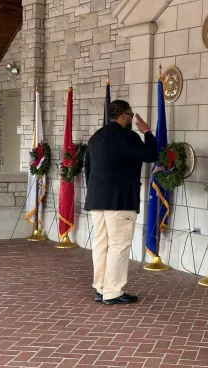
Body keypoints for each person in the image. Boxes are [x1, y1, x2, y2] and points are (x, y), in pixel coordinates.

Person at [84, 100, 157, 305]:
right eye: (131, 116)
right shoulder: (128, 137)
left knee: (101, 245)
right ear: (124, 116)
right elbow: (150, 154)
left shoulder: (95, 138)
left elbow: (88, 169)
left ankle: (100, 288)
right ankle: (112, 292)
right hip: (120, 201)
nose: (133, 120)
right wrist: (147, 132)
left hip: (97, 200)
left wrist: (96, 193)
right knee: (119, 246)